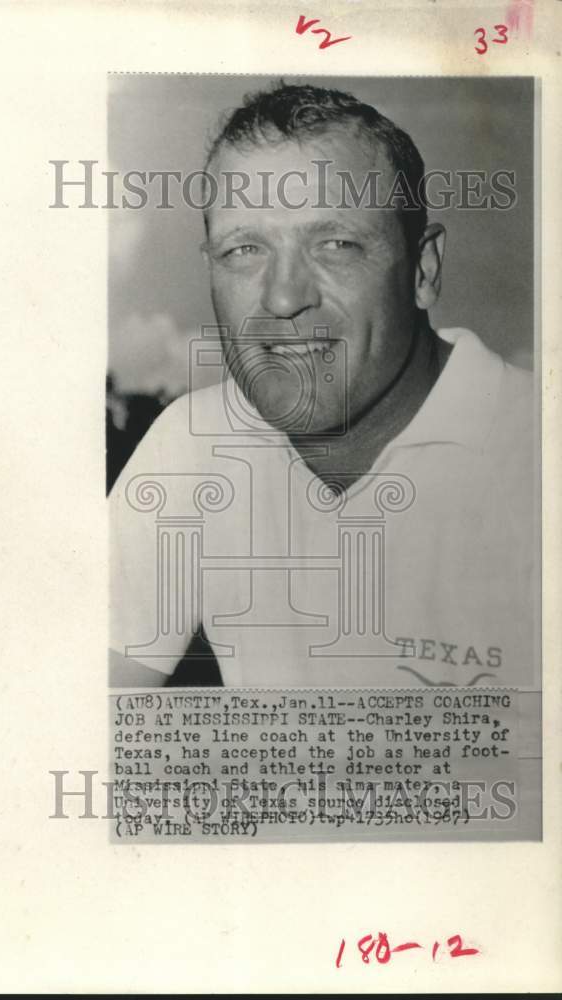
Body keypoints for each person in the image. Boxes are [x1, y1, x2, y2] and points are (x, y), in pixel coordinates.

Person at [109, 82, 536, 689]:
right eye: (244, 248)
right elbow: (69, 722)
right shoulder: (190, 447)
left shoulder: (537, 458)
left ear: (423, 270)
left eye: (336, 244)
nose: (283, 298)